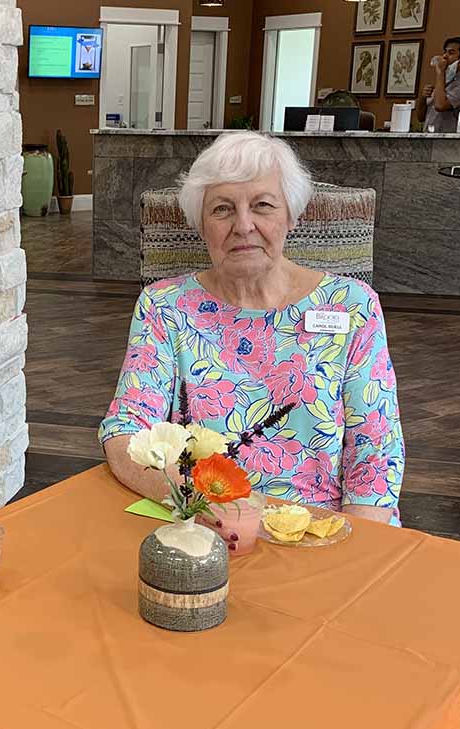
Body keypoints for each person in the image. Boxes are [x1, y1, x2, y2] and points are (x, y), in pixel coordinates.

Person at [99, 132, 405, 541]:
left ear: (291, 216)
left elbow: (377, 450)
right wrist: (202, 506)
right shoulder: (164, 307)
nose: (243, 225)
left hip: (322, 531)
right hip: (202, 528)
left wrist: (346, 547)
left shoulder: (351, 306)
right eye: (222, 209)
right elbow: (126, 433)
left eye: (262, 205)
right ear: (201, 225)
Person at [417, 37, 460, 133]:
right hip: (428, 139)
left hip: (448, 143)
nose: (444, 56)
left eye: (451, 53)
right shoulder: (444, 81)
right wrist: (422, 98)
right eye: (445, 52)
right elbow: (421, 117)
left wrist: (440, 73)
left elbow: (440, 106)